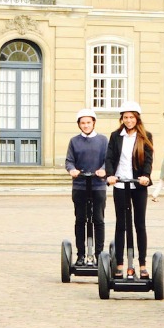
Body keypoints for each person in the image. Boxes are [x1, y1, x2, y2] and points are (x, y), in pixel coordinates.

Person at [104, 102, 154, 279]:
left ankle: (142, 265)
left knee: (139, 224)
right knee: (121, 224)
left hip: (138, 184)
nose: (128, 120)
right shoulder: (115, 136)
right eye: (125, 117)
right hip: (120, 184)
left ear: (137, 119)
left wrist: (146, 175)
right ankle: (119, 264)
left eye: (131, 117)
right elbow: (109, 158)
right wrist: (110, 175)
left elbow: (148, 159)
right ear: (122, 119)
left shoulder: (145, 136)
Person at [64, 109, 107, 266]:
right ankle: (81, 255)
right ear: (79, 125)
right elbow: (69, 161)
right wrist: (72, 170)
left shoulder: (103, 140)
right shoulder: (74, 141)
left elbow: (108, 160)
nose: (86, 125)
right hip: (80, 185)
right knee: (80, 219)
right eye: (83, 123)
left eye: (88, 122)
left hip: (98, 185)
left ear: (94, 123)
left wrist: (103, 169)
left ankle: (99, 255)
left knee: (98, 219)